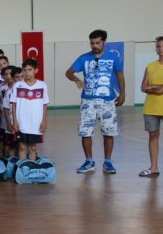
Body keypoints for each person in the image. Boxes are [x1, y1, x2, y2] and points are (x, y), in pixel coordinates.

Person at [65, 29, 126, 174]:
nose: (94, 46)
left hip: (108, 101)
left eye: (97, 43)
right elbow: (69, 72)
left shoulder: (112, 57)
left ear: (104, 42)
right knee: (85, 132)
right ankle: (89, 161)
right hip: (88, 101)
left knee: (108, 132)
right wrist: (77, 80)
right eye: (92, 43)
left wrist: (123, 93)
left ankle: (108, 162)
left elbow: (119, 75)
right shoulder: (84, 58)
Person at [11, 58, 50, 160]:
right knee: (22, 146)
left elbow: (45, 105)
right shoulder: (17, 85)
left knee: (32, 147)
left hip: (35, 122)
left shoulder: (42, 85)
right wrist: (15, 121)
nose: (27, 72)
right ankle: (23, 166)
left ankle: (31, 166)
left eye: (29, 70)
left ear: (36, 70)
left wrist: (44, 121)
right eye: (24, 70)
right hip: (21, 121)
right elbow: (14, 104)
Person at [139, 36, 163, 177]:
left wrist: (152, 87)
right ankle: (154, 168)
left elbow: (159, 90)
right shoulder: (150, 66)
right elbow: (143, 87)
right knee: (153, 136)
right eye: (158, 46)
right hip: (151, 108)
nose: (160, 49)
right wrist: (158, 87)